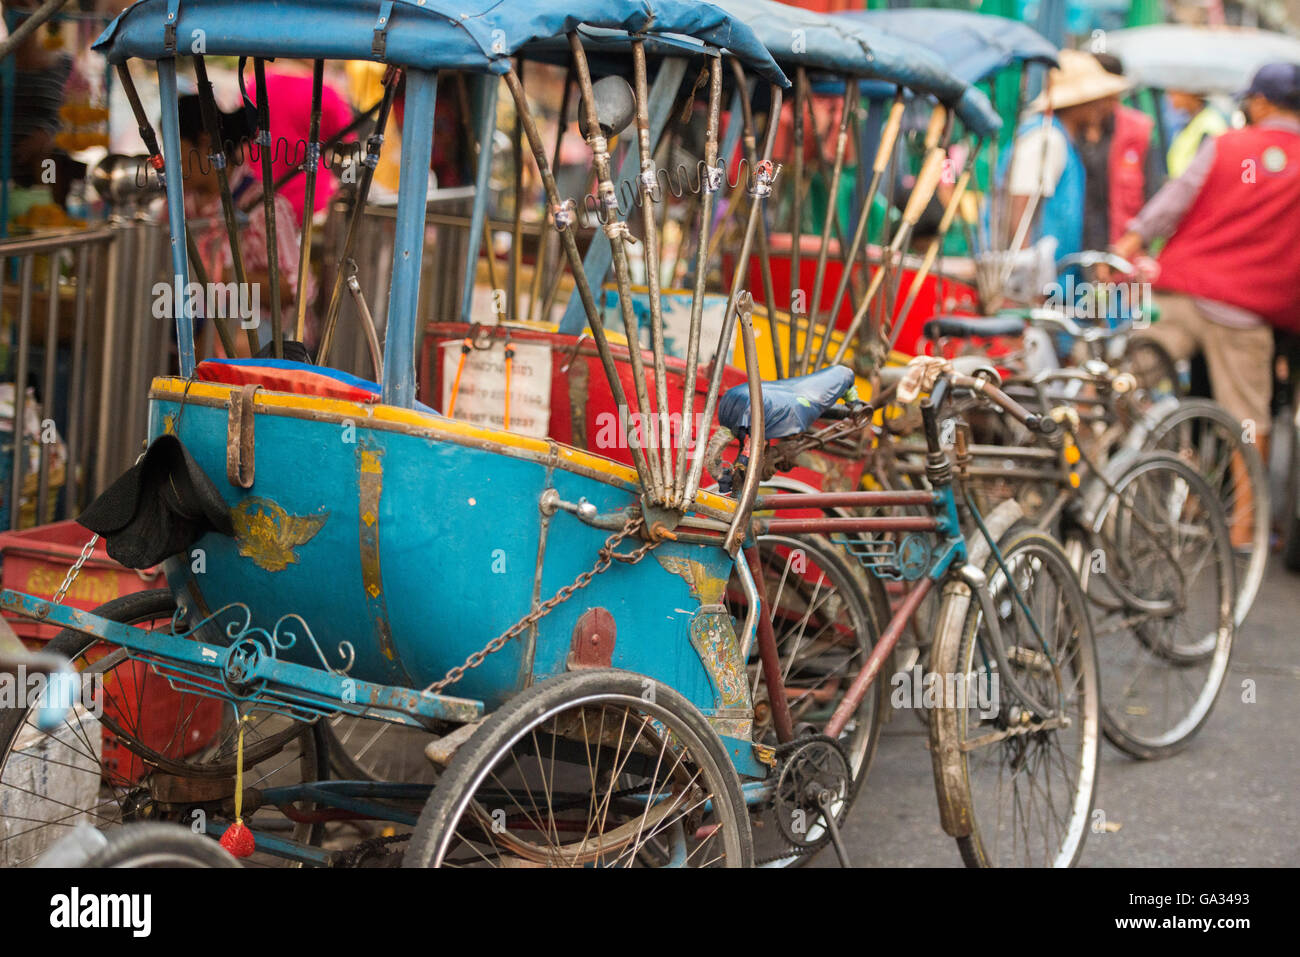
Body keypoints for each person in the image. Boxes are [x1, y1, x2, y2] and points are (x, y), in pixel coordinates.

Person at [1114, 63, 1300, 545]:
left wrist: (1125, 249)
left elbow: (1173, 201)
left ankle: (1095, 488)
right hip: (1247, 310)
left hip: (1184, 293)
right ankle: (1242, 528)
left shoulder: (1228, 145)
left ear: (1260, 103)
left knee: (1123, 382)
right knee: (1247, 418)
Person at [174, 95, 313, 356]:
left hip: (260, 346)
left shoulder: (263, 208)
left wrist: (226, 277)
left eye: (176, 150)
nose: (170, 163)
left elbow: (296, 288)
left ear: (203, 144)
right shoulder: (179, 204)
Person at [1000, 49, 1131, 261]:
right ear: (1077, 104)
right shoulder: (1047, 138)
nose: (1101, 107)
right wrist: (1028, 277)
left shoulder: (1064, 139)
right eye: (1094, 100)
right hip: (1034, 280)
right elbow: (1020, 206)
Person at [1165, 90, 1228, 178]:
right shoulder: (1193, 120)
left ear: (1189, 94)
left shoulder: (1209, 124)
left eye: (1173, 93)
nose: (1170, 99)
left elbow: (1204, 171)